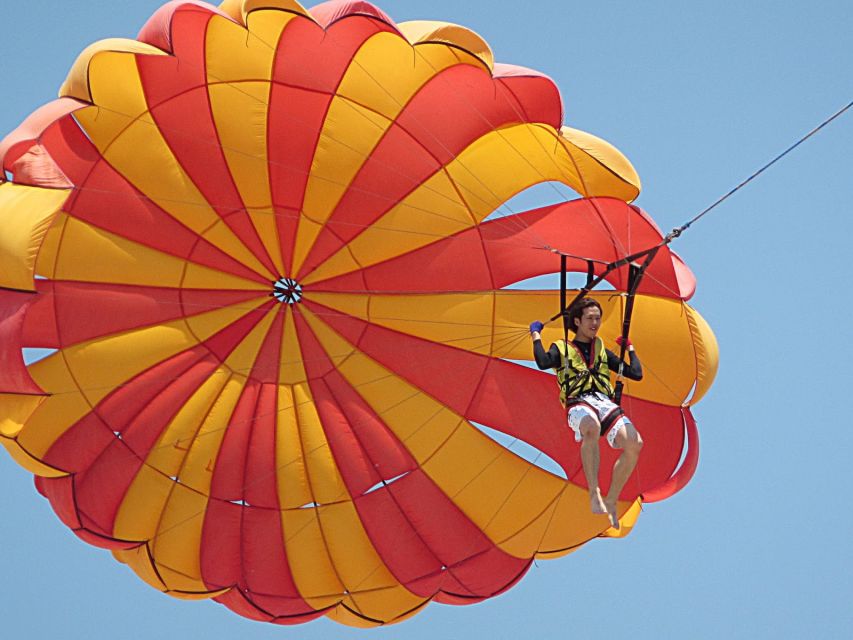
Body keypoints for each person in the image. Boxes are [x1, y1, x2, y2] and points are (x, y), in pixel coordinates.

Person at [529, 298, 643, 529]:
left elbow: (635, 373)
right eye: (590, 318)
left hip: (604, 402)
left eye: (598, 318)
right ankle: (594, 492)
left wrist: (629, 347)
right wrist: (536, 335)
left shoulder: (601, 349)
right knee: (591, 427)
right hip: (578, 402)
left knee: (634, 443)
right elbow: (542, 362)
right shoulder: (561, 348)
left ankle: (611, 498)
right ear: (578, 321)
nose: (595, 323)